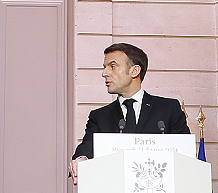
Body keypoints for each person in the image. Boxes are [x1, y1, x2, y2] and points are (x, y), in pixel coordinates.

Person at [70, 42, 190, 182]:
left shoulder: (168, 109)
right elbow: (87, 147)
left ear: (134, 71)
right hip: (114, 189)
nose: (104, 73)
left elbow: (186, 153)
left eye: (112, 66)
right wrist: (81, 159)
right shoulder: (99, 116)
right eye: (104, 67)